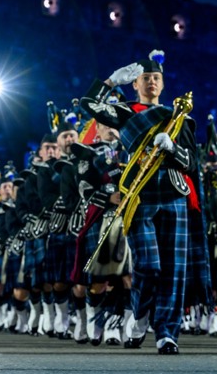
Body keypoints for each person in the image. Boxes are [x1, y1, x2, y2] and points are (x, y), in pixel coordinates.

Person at [81, 50, 210, 354]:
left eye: (156, 78)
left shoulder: (178, 118)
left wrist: (173, 150)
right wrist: (112, 81)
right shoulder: (124, 112)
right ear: (135, 84)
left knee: (174, 270)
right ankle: (139, 315)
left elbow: (192, 163)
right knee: (148, 266)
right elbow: (90, 105)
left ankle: (167, 333)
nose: (151, 82)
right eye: (145, 78)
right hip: (139, 195)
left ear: (162, 84)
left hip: (174, 194)